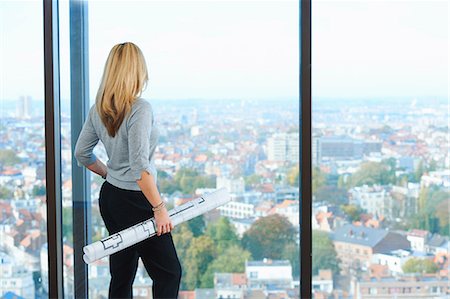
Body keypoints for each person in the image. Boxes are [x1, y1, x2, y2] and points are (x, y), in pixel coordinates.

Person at [74, 42, 182, 299]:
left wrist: (107, 174)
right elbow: (140, 168)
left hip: (111, 197)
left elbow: (82, 153)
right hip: (138, 200)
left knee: (122, 273)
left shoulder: (98, 108)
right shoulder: (140, 108)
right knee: (169, 273)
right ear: (137, 71)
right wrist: (159, 208)